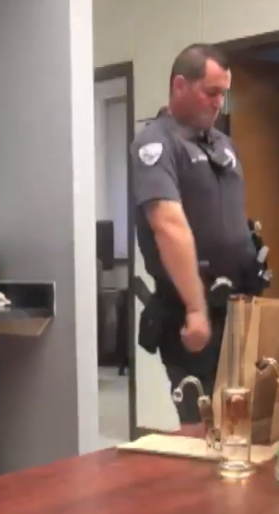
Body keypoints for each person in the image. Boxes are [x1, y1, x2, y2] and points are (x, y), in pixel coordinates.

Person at [131, 44, 260, 437]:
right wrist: (195, 308)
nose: (219, 103)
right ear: (179, 86)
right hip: (192, 314)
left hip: (238, 309)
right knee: (200, 432)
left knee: (243, 426)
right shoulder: (156, 144)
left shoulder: (222, 144)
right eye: (211, 92)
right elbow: (169, 226)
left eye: (224, 94)